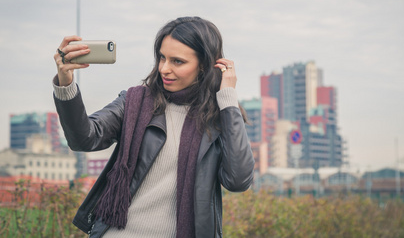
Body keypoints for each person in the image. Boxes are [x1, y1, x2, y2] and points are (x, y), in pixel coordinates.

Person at [52, 17, 255, 238]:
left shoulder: (218, 119)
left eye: (177, 61)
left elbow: (238, 180)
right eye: (162, 57)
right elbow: (84, 139)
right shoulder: (134, 102)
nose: (164, 69)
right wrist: (66, 82)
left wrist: (227, 99)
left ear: (204, 65)